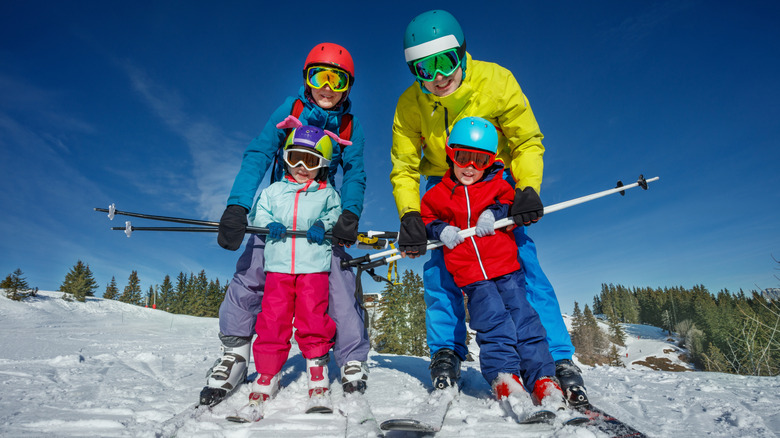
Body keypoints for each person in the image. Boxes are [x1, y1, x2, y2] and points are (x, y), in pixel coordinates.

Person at [390, 10, 587, 405]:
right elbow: (404, 166)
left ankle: (558, 358)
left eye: (444, 62)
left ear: (462, 53)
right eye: (423, 70)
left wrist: (527, 188)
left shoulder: (496, 81)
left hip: (494, 184)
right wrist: (412, 215)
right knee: (441, 268)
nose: (437, 77)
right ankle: (446, 350)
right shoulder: (410, 104)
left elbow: (527, 139)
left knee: (520, 265)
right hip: (442, 187)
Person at [200, 43, 369, 406]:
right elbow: (260, 151)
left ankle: (351, 357)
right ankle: (236, 353)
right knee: (251, 271)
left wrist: (348, 214)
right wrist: (238, 206)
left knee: (337, 280)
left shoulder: (349, 124)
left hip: (320, 218)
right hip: (277, 214)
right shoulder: (290, 110)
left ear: (347, 87)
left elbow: (355, 172)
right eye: (318, 76)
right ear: (306, 81)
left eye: (336, 79)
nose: (326, 86)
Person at [420, 117, 565, 409]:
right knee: (492, 324)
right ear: (450, 154)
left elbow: (509, 203)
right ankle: (505, 376)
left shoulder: (498, 186)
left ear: (490, 161)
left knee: (525, 320)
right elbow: (425, 218)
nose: (470, 167)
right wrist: (440, 230)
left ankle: (542, 377)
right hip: (472, 277)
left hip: (507, 270)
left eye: (480, 160)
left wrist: (493, 213)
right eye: (463, 157)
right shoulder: (438, 194)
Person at [249, 123, 342, 403]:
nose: (302, 166)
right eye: (295, 158)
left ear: (321, 165)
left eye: (310, 160)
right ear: (286, 159)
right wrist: (269, 224)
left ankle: (316, 364)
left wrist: (322, 225)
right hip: (278, 267)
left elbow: (336, 215)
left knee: (312, 316)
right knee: (272, 318)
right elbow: (258, 213)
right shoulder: (274, 192)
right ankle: (267, 371)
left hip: (313, 267)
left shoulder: (326, 194)